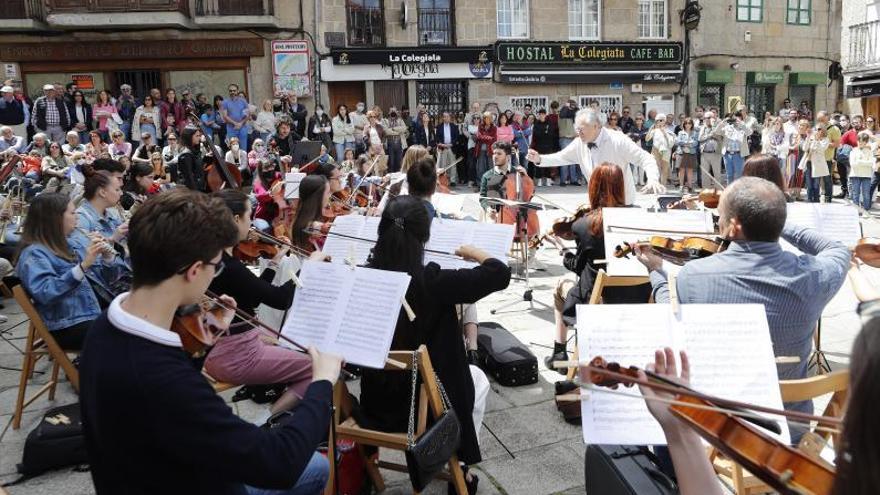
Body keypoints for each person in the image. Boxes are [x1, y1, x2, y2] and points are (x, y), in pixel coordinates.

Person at [79, 188, 340, 494]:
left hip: (147, 470)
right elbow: (279, 463)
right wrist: (322, 381)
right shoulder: (162, 380)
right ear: (193, 271)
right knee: (317, 467)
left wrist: (202, 342)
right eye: (216, 265)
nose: (216, 272)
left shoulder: (104, 326)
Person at [634, 176, 849, 438]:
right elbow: (836, 248)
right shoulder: (814, 277)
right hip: (790, 435)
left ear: (734, 226)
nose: (718, 221)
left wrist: (656, 271)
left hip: (720, 430)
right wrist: (775, 222)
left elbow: (671, 309)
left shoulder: (694, 275)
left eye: (720, 215)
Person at [358, 194, 510, 494]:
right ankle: (461, 469)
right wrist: (475, 252)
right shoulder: (432, 281)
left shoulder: (365, 275)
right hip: (424, 411)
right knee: (477, 380)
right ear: (424, 236)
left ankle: (368, 463)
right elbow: (499, 273)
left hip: (375, 404)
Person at [204, 189, 315, 418]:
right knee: (317, 367)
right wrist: (309, 269)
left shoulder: (212, 256)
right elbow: (280, 299)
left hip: (219, 349)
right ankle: (266, 420)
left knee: (289, 347)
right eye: (249, 216)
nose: (252, 223)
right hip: (237, 355)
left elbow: (252, 296)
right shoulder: (229, 267)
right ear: (236, 220)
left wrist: (275, 260)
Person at [545, 163, 651, 370]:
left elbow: (577, 266)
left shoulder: (584, 224)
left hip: (599, 299)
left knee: (560, 286)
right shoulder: (638, 217)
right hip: (638, 296)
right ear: (621, 186)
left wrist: (562, 250)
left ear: (593, 187)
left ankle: (560, 353)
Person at [17, 193, 108, 350]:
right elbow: (46, 292)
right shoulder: (34, 253)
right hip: (69, 325)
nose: (77, 218)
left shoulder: (68, 243)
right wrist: (83, 266)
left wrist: (106, 256)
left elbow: (103, 280)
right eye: (72, 213)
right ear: (55, 218)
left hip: (88, 312)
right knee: (129, 331)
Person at [528, 108, 664, 204]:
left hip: (622, 202)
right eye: (577, 129)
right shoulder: (579, 143)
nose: (578, 132)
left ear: (596, 126)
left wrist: (653, 179)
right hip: (596, 203)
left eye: (582, 128)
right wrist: (540, 159)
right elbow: (561, 157)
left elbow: (645, 158)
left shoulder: (618, 140)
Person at [289, 174, 331, 253]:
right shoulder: (310, 226)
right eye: (328, 193)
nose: (329, 196)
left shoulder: (300, 218)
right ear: (318, 197)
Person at [803, 124, 831, 203]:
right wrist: (808, 138)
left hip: (817, 164)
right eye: (816, 129)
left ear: (823, 130)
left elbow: (821, 149)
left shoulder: (826, 139)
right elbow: (805, 148)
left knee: (816, 183)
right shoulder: (810, 138)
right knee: (809, 183)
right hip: (808, 162)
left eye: (819, 129)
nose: (818, 131)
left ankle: (816, 199)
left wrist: (816, 140)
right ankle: (809, 199)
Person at [849, 131, 875, 215]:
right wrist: (865, 162)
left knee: (866, 193)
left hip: (866, 175)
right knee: (855, 193)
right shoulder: (853, 151)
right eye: (859, 141)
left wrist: (860, 162)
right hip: (855, 174)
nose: (860, 143)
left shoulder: (869, 152)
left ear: (866, 142)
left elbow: (871, 163)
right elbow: (853, 164)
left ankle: (866, 209)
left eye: (863, 141)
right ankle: (856, 209)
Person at [222, 84, 250, 152]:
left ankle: (243, 163)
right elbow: (225, 116)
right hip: (231, 129)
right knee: (234, 150)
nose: (232, 92)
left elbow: (248, 115)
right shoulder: (225, 102)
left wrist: (240, 124)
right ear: (228, 92)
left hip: (242, 128)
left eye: (234, 90)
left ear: (237, 91)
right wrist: (235, 124)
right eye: (230, 91)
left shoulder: (243, 101)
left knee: (243, 149)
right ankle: (235, 163)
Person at [177, 126, 207, 191]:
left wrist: (206, 158)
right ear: (189, 137)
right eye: (197, 136)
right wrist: (196, 194)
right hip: (192, 190)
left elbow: (196, 166)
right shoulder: (186, 154)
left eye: (199, 135)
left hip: (199, 186)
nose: (199, 138)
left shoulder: (194, 150)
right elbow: (188, 177)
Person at [435, 111, 460, 185]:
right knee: (443, 164)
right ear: (443, 118)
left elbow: (456, 137)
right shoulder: (439, 127)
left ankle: (452, 180)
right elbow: (437, 138)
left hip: (451, 147)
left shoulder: (454, 126)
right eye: (444, 116)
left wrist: (451, 144)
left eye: (447, 116)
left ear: (450, 118)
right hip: (443, 147)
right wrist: (442, 144)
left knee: (452, 164)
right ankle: (443, 179)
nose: (446, 118)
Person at [674, 117, 698, 192]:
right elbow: (677, 142)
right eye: (686, 123)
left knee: (690, 170)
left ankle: (690, 186)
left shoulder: (695, 133)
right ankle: (681, 186)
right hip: (681, 153)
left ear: (692, 124)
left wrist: (687, 144)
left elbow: (696, 142)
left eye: (689, 123)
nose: (688, 125)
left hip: (691, 153)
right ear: (684, 124)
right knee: (681, 170)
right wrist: (686, 143)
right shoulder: (680, 132)